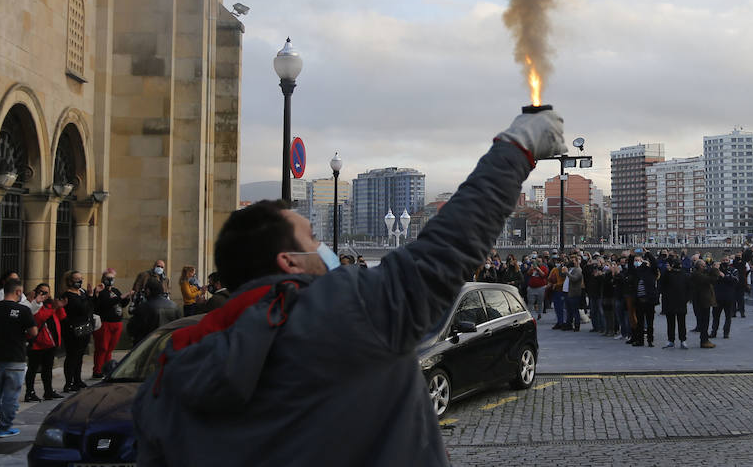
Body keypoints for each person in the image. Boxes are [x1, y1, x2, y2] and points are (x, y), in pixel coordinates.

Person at [133, 108, 564, 465]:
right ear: (288, 263)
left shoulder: (170, 372)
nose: (325, 250)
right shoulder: (340, 311)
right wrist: (516, 148)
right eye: (313, 239)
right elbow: (445, 252)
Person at [0, 276, 37, 440]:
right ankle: (5, 427)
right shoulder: (23, 310)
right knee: (10, 396)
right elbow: (33, 332)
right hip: (16, 357)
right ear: (18, 292)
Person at [25, 284, 63, 402]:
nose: (44, 295)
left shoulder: (50, 304)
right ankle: (30, 392)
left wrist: (59, 307)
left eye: (46, 292)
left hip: (50, 343)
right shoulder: (35, 304)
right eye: (41, 292)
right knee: (33, 368)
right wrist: (54, 309)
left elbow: (61, 317)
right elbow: (38, 318)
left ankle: (48, 391)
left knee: (47, 369)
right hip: (37, 342)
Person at [60, 270, 94, 392]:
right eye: (77, 279)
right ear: (70, 281)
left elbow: (90, 307)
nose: (80, 281)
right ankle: (69, 382)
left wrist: (91, 296)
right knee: (72, 356)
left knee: (80, 356)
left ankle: (77, 379)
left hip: (84, 328)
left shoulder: (82, 292)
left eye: (81, 279)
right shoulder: (67, 295)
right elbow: (82, 309)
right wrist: (89, 296)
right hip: (72, 330)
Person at [91, 269, 126, 378]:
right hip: (105, 323)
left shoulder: (115, 290)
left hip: (117, 323)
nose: (110, 280)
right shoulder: (100, 291)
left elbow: (122, 303)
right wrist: (121, 298)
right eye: (108, 278)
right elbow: (106, 303)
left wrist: (128, 297)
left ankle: (107, 368)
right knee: (102, 348)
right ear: (103, 279)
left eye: (112, 278)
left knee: (110, 348)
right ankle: (98, 370)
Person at [659, 254, 690, 349]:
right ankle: (674, 340)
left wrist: (686, 298)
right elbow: (662, 285)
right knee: (674, 322)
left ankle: (680, 339)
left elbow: (689, 288)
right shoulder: (669, 274)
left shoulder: (683, 274)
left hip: (678, 301)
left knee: (679, 322)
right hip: (673, 301)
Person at [628, 252, 658, 347]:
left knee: (648, 322)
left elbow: (655, 263)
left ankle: (648, 340)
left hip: (649, 300)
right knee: (642, 322)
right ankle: (642, 340)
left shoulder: (652, 271)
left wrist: (648, 253)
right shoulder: (638, 272)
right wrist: (632, 256)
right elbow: (630, 268)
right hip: (640, 300)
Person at [690, 259, 717, 348]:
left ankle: (705, 339)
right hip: (701, 301)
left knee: (705, 321)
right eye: (703, 266)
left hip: (703, 300)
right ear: (699, 266)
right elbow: (711, 279)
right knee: (704, 321)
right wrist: (714, 269)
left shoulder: (699, 273)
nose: (705, 267)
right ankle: (704, 340)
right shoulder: (697, 274)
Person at [526, 255, 548, 319]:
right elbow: (528, 274)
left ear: (542, 262)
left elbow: (543, 275)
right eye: (537, 261)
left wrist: (538, 269)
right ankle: (529, 314)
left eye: (539, 261)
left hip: (541, 287)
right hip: (531, 287)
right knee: (530, 302)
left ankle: (539, 313)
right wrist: (531, 269)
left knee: (540, 301)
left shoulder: (544, 267)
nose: (538, 263)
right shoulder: (532, 267)